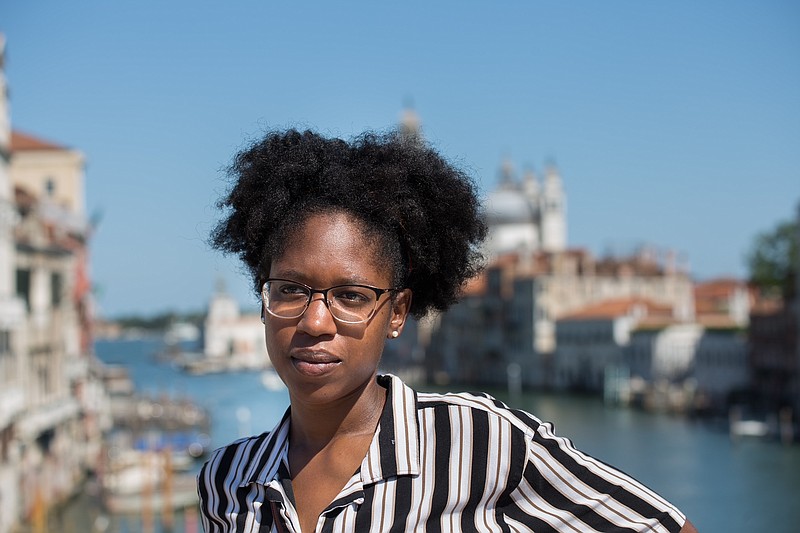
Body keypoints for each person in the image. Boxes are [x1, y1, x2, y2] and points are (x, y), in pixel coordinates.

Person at [198, 129, 698, 533]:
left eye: (351, 296)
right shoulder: (225, 482)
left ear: (397, 313)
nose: (314, 321)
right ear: (263, 301)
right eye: (290, 289)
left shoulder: (487, 444)